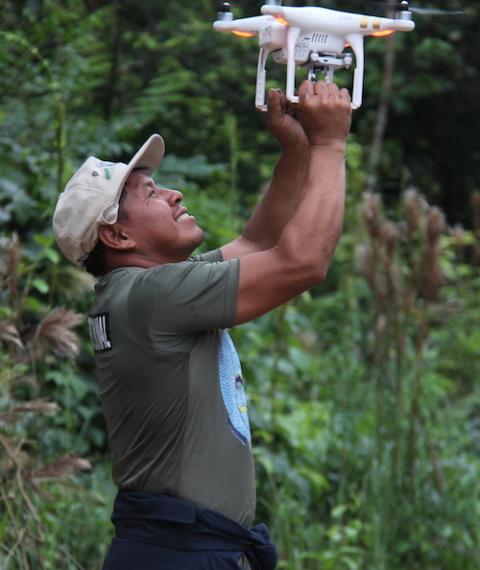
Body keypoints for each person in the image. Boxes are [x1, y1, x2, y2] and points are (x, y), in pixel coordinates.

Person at [52, 80, 352, 569]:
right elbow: (303, 262)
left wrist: (296, 149)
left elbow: (258, 244)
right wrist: (331, 144)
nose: (174, 193)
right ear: (118, 234)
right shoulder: (151, 296)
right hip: (180, 553)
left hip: (174, 548)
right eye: (150, 191)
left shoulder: (143, 291)